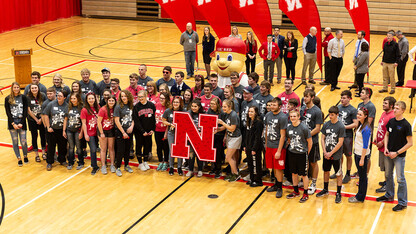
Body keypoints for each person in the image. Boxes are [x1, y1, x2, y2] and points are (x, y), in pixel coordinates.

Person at [376, 101, 413, 211]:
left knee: (400, 179)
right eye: (395, 108)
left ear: (403, 110)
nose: (395, 110)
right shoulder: (391, 121)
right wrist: (386, 147)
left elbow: (410, 143)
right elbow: (387, 135)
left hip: (399, 156)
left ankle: (402, 202)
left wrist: (396, 153)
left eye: (397, 108)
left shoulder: (406, 125)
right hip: (388, 153)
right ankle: (389, 195)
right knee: (388, 175)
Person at [316, 106, 345, 203]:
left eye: (332, 115)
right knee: (326, 171)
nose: (330, 116)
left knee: (338, 174)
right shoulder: (326, 124)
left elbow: (340, 142)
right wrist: (324, 151)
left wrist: (330, 153)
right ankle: (325, 189)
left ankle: (338, 193)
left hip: (336, 155)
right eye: (329, 114)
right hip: (326, 153)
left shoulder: (340, 126)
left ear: (337, 115)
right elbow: (322, 138)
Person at [286, 110, 312, 202]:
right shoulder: (289, 128)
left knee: (304, 175)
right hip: (292, 153)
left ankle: (305, 193)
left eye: (294, 116)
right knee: (294, 173)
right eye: (291, 116)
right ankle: (296, 191)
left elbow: (310, 142)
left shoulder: (304, 128)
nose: (292, 118)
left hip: (302, 154)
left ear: (298, 117)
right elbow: (289, 139)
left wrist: (306, 153)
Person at [300, 90, 323, 195]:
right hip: (303, 141)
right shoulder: (302, 109)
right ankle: (304, 180)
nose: (305, 98)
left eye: (307, 96)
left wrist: (307, 136)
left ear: (312, 97)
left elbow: (317, 128)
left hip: (312, 141)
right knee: (305, 161)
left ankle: (313, 183)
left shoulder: (317, 111)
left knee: (313, 162)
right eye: (304, 96)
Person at [264, 97, 288, 197]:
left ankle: (279, 187)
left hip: (278, 147)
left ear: (279, 106)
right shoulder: (268, 115)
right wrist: (266, 143)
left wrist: (279, 151)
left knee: (278, 168)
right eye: (271, 105)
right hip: (269, 145)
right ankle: (275, 185)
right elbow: (266, 129)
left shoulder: (282, 117)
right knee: (273, 166)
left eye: (274, 105)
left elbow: (283, 135)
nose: (272, 107)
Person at [348, 107, 372, 203]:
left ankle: (360, 197)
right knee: (361, 176)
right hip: (357, 153)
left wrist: (362, 159)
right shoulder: (360, 125)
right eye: (358, 114)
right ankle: (359, 195)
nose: (358, 116)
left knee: (362, 177)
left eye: (360, 115)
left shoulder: (366, 128)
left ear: (365, 116)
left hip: (362, 156)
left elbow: (366, 145)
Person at [335, 90, 358, 184]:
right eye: (341, 98)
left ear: (349, 98)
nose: (342, 100)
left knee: (348, 155)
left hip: (347, 136)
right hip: (338, 135)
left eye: (344, 98)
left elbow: (355, 124)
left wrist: (344, 127)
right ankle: (339, 171)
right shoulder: (338, 107)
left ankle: (348, 174)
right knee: (339, 155)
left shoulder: (352, 110)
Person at [374, 96, 396, 193]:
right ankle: (387, 181)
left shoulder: (392, 116)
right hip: (380, 145)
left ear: (391, 106)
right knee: (383, 166)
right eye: (383, 103)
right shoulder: (384, 113)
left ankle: (388, 186)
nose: (383, 104)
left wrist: (382, 142)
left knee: (388, 168)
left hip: (386, 146)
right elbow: (380, 127)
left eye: (385, 103)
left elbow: (390, 133)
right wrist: (376, 137)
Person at [44, 90, 69, 171]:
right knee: (51, 147)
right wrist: (48, 127)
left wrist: (64, 130)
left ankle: (62, 160)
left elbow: (66, 119)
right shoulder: (51, 104)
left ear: (64, 98)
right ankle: (49, 162)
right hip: (52, 130)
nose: (58, 97)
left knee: (62, 146)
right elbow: (46, 115)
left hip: (61, 130)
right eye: (58, 96)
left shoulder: (67, 106)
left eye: (60, 96)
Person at [5, 82, 29, 166]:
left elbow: (25, 111)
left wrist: (22, 123)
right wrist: (13, 123)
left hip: (21, 122)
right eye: (14, 87)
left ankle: (25, 155)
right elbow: (8, 112)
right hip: (12, 123)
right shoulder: (7, 98)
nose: (16, 89)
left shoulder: (23, 97)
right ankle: (19, 158)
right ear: (12, 88)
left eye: (17, 87)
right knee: (15, 141)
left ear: (19, 88)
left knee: (23, 141)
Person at [218, 99, 242, 182]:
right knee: (231, 157)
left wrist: (222, 123)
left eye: (225, 107)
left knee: (228, 157)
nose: (223, 108)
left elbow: (232, 128)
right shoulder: (227, 114)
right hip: (229, 137)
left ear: (229, 106)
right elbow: (226, 126)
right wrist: (218, 129)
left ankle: (236, 174)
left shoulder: (233, 115)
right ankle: (233, 173)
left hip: (235, 137)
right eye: (222, 106)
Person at [133, 90, 156, 171]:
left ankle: (145, 161)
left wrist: (153, 129)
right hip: (139, 131)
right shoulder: (136, 107)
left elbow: (153, 119)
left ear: (146, 96)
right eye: (139, 97)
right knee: (139, 146)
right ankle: (140, 163)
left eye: (142, 97)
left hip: (149, 131)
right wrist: (142, 131)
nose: (140, 98)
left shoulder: (152, 105)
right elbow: (136, 121)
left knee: (147, 146)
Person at [114, 90, 134, 176]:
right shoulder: (118, 107)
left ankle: (126, 165)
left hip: (129, 131)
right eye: (122, 96)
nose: (123, 98)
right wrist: (123, 132)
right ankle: (118, 167)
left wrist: (131, 126)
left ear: (128, 97)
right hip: (120, 132)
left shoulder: (132, 106)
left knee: (127, 149)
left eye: (125, 96)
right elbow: (116, 120)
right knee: (120, 150)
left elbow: (133, 118)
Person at [163, 96, 185, 176]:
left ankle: (179, 167)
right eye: (174, 102)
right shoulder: (168, 111)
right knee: (172, 150)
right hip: (171, 133)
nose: (175, 104)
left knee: (179, 150)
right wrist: (170, 124)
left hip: (180, 133)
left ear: (180, 103)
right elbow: (163, 120)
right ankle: (171, 167)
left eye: (177, 102)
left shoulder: (183, 111)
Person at [358, 87, 376, 176]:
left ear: (368, 95)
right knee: (359, 153)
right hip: (359, 132)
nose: (360, 93)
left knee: (366, 155)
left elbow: (368, 122)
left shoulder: (371, 106)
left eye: (362, 92)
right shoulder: (360, 105)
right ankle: (360, 171)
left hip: (366, 133)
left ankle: (366, 174)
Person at [63, 93, 84, 170]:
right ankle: (70, 162)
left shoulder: (81, 108)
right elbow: (65, 119)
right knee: (71, 147)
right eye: (71, 99)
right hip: (69, 130)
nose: (72, 100)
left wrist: (81, 132)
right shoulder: (68, 107)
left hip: (77, 130)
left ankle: (81, 162)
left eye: (74, 98)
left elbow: (83, 122)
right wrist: (63, 130)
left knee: (78, 147)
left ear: (78, 99)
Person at [81, 93, 100, 175]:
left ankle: (100, 164)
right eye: (89, 99)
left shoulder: (98, 107)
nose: (91, 100)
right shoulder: (84, 110)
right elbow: (84, 123)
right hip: (90, 133)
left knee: (97, 148)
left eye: (92, 98)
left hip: (98, 132)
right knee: (93, 149)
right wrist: (85, 134)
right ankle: (94, 166)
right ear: (87, 100)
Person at [27, 84, 46, 163]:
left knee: (43, 136)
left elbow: (45, 107)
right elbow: (28, 110)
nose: (34, 89)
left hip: (42, 119)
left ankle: (44, 153)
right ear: (30, 89)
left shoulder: (43, 95)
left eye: (35, 88)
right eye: (32, 88)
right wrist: (36, 119)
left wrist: (41, 118)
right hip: (32, 120)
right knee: (34, 136)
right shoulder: (28, 97)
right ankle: (36, 154)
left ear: (38, 88)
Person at [97, 95, 116, 175]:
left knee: (111, 148)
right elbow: (98, 122)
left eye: (112, 101)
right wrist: (101, 133)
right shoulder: (103, 109)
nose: (111, 102)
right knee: (103, 149)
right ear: (107, 101)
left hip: (111, 130)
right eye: (109, 101)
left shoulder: (116, 109)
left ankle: (112, 165)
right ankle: (103, 166)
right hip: (103, 131)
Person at [245, 106, 264, 187]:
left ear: (256, 113)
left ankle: (257, 180)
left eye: (252, 111)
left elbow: (257, 137)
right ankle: (252, 178)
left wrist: (254, 148)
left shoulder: (258, 123)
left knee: (256, 164)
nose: (250, 113)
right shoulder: (249, 121)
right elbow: (247, 134)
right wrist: (245, 145)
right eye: (249, 111)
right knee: (250, 164)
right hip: (249, 146)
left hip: (255, 147)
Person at [186, 99, 205, 177]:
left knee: (199, 154)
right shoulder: (188, 114)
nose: (193, 108)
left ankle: (200, 170)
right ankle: (190, 170)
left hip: (200, 137)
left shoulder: (203, 114)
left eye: (195, 106)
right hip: (190, 137)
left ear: (199, 107)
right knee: (191, 154)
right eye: (192, 106)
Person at [154, 92, 170, 173]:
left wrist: (166, 133)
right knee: (159, 146)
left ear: (166, 99)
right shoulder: (156, 105)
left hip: (165, 131)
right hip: (157, 130)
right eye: (160, 98)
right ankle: (160, 161)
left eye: (163, 98)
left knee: (165, 147)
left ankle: (166, 162)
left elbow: (169, 121)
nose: (161, 100)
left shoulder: (168, 108)